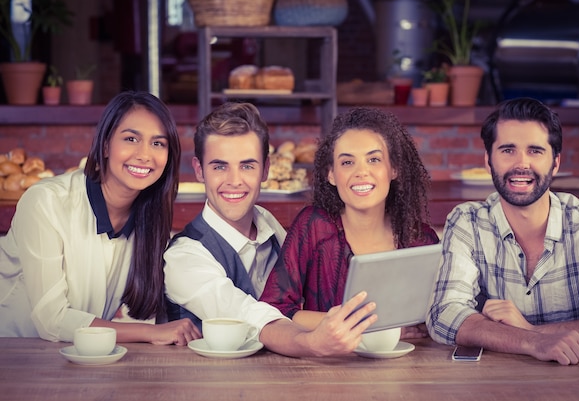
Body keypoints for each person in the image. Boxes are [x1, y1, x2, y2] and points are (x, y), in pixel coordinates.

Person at [164, 102, 377, 357]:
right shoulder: (184, 257)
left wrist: (371, 324)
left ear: (266, 169)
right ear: (199, 170)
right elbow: (252, 318)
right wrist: (313, 344)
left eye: (247, 166)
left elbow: (297, 297)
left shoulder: (266, 222)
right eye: (220, 166)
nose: (234, 181)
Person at [427, 97, 579, 365]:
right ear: (488, 161)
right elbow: (443, 314)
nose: (521, 164)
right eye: (508, 150)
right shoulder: (467, 221)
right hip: (494, 385)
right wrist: (532, 342)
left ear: (555, 162)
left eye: (535, 151)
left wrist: (531, 331)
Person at [0, 91, 200, 345]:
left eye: (158, 143)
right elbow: (52, 321)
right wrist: (151, 334)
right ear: (105, 145)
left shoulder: (150, 215)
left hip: (83, 357)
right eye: (131, 139)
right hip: (13, 355)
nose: (145, 154)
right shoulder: (46, 202)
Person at [260, 107, 440, 337]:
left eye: (374, 159)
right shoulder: (314, 226)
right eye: (347, 162)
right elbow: (275, 310)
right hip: (330, 367)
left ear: (393, 169)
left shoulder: (422, 240)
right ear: (331, 174)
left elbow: (439, 316)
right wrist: (369, 327)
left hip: (409, 367)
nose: (361, 172)